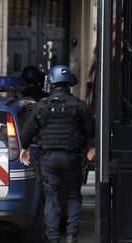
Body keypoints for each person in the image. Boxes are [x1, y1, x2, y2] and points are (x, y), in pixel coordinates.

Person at [19, 65, 94, 243]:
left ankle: (53, 238)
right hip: (71, 158)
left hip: (48, 159)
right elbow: (90, 131)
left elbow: (26, 133)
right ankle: (71, 236)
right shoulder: (79, 105)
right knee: (73, 195)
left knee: (51, 197)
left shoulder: (41, 106)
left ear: (51, 83)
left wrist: (26, 147)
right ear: (69, 84)